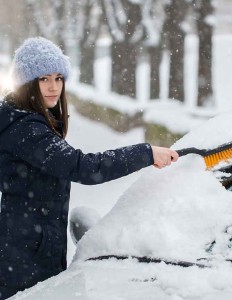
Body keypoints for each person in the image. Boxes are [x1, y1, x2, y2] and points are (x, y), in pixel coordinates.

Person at [0, 37, 179, 299]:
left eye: (58, 78)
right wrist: (146, 153)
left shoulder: (26, 120)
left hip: (30, 249)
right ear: (27, 83)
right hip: (25, 259)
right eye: (43, 79)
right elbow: (83, 167)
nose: (53, 87)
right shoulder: (27, 130)